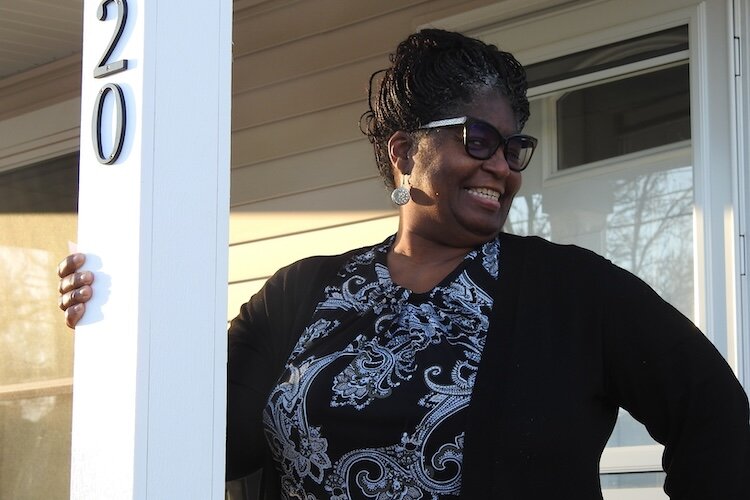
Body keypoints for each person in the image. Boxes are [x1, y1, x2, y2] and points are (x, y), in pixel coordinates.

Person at [57, 29, 750, 499]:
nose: (500, 167)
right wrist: (114, 324)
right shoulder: (303, 292)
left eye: (514, 149)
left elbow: (716, 417)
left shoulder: (574, 293)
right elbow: (203, 427)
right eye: (478, 140)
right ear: (402, 154)